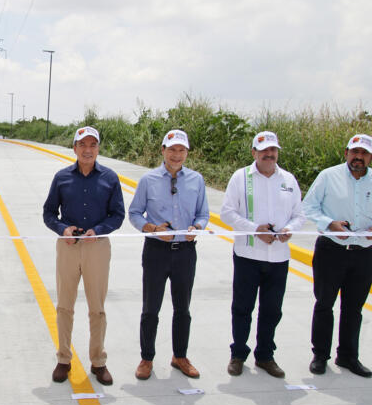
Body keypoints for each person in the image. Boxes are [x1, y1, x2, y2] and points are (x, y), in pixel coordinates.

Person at [43, 126, 125, 386]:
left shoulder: (110, 178)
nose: (88, 150)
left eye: (93, 144)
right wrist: (62, 229)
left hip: (97, 247)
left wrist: (98, 230)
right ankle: (63, 359)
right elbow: (48, 213)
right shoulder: (61, 177)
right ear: (74, 148)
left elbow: (118, 214)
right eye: (82, 145)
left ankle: (98, 361)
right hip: (67, 247)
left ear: (98, 148)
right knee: (64, 305)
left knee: (97, 308)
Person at [220, 131, 305, 378]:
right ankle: (238, 354)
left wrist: (290, 229)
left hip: (278, 257)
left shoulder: (288, 179)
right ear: (254, 152)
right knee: (242, 308)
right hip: (248, 254)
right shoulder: (241, 177)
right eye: (264, 150)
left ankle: (265, 356)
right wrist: (254, 230)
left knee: (272, 310)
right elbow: (227, 212)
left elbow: (299, 215)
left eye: (273, 150)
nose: (269, 155)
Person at [128, 129, 209, 380]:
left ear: (187, 153)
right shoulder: (148, 180)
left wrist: (198, 228)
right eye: (172, 149)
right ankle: (146, 358)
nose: (176, 155)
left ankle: (180, 356)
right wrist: (151, 229)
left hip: (185, 252)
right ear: (162, 151)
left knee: (182, 308)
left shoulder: (196, 180)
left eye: (181, 150)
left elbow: (203, 214)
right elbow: (134, 214)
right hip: (156, 252)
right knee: (150, 308)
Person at [303, 133, 372, 378]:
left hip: (363, 253)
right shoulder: (328, 176)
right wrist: (329, 223)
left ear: (370, 157)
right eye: (354, 152)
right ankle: (320, 355)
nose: (358, 157)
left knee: (354, 308)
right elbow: (308, 206)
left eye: (364, 153)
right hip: (331, 250)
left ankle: (348, 357)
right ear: (346, 153)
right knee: (324, 305)